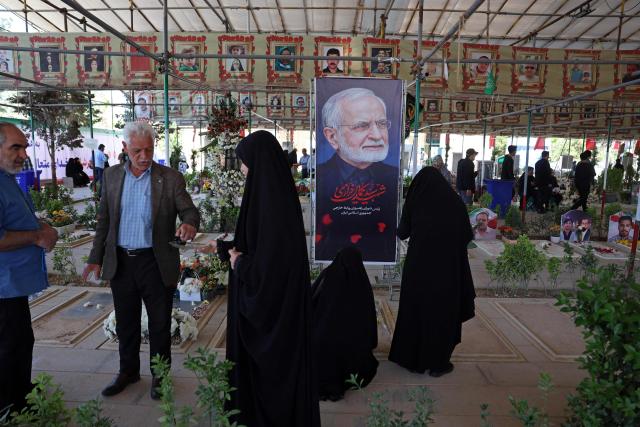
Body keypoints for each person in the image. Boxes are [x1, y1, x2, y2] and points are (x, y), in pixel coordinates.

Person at [205, 131, 320, 426]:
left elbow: (270, 268)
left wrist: (240, 263)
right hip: (283, 310)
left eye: (244, 161)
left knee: (271, 379)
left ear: (257, 161)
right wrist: (227, 249)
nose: (242, 168)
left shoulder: (271, 204)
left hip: (275, 317)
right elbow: (260, 245)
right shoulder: (272, 196)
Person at [82, 122, 199, 400]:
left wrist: (189, 225)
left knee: (159, 323)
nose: (144, 156)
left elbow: (189, 211)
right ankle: (128, 372)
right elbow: (104, 222)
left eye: (149, 149)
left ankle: (160, 376)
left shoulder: (169, 178)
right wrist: (95, 258)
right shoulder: (110, 177)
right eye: (137, 150)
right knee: (126, 322)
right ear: (124, 148)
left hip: (155, 261)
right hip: (121, 262)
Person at [389, 167, 475, 376]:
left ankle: (412, 358)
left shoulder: (417, 201)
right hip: (448, 271)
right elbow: (467, 237)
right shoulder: (455, 203)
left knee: (416, 310)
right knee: (442, 313)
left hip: (419, 268)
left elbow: (402, 232)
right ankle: (438, 363)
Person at [0, 123, 59, 418]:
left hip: (14, 284)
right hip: (3, 286)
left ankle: (20, 390)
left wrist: (41, 227)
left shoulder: (7, 179)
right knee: (10, 344)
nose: (23, 154)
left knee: (20, 340)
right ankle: (11, 406)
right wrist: (37, 236)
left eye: (24, 147)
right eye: (15, 147)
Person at [315, 87, 399, 262]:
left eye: (382, 124)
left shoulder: (394, 177)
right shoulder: (321, 179)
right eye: (362, 126)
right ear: (332, 137)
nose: (377, 135)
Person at [311, 246, 378, 401]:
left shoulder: (329, 276)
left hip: (322, 347)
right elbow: (369, 321)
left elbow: (312, 302)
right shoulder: (361, 282)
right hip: (352, 350)